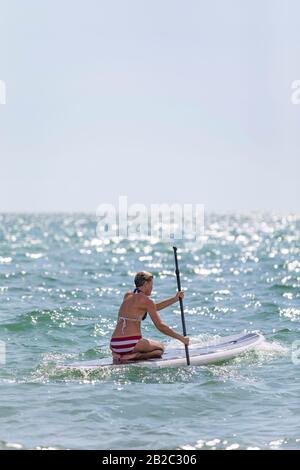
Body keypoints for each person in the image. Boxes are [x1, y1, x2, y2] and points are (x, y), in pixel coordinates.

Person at [110, 271, 189, 364]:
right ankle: (134, 356)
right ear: (146, 284)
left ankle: (120, 354)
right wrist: (181, 339)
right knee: (160, 349)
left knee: (148, 346)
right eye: (151, 284)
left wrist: (175, 299)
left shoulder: (128, 295)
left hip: (114, 344)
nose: (152, 288)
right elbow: (160, 326)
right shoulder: (147, 301)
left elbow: (153, 308)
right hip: (131, 343)